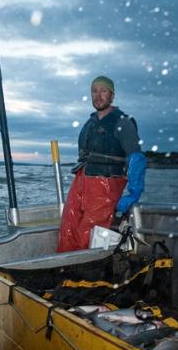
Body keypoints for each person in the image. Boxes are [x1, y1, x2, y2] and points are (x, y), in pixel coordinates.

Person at [57, 75, 146, 252]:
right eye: (94, 91)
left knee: (87, 233)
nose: (98, 95)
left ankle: (82, 272)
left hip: (106, 185)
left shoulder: (123, 123)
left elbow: (137, 158)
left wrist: (133, 193)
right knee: (68, 227)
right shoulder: (89, 124)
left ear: (112, 96)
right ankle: (64, 268)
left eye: (103, 91)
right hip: (82, 181)